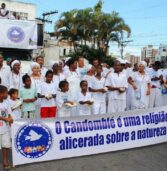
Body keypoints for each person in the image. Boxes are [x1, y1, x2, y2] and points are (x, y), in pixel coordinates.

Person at [0, 85, 13, 170]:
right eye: (6, 92)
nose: (7, 94)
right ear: (1, 94)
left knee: (5, 145)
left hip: (5, 127)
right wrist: (6, 119)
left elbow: (9, 112)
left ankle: (5, 160)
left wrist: (10, 119)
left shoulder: (7, 102)